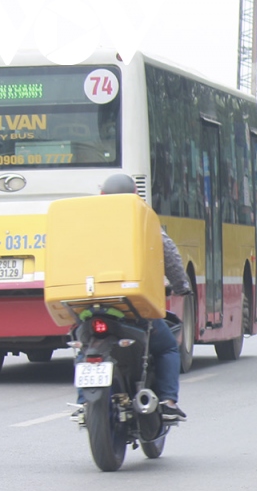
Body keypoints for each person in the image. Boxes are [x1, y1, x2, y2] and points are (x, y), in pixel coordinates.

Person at [73, 174, 188, 423]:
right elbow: (169, 256)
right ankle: (168, 402)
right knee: (168, 347)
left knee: (84, 346)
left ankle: (84, 403)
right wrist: (181, 285)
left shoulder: (82, 224)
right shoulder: (141, 221)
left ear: (102, 196)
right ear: (135, 196)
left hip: (89, 306)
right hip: (131, 308)